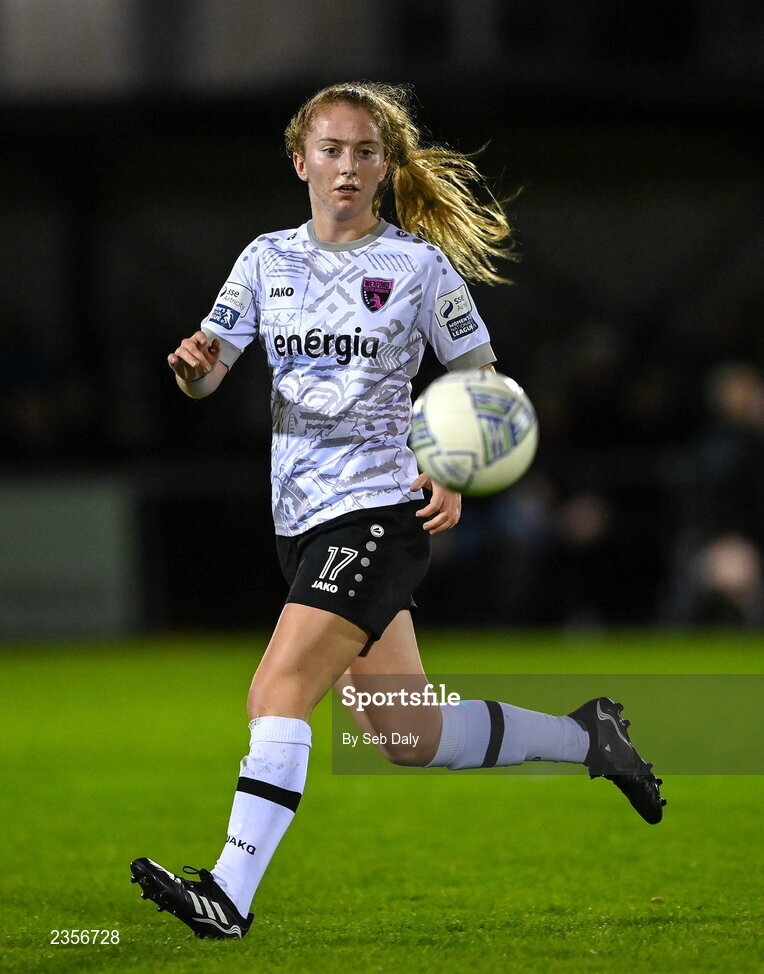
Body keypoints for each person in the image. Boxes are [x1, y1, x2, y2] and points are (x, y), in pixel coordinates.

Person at [130, 82, 665, 941]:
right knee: (407, 736)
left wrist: (451, 463)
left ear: (384, 166)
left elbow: (481, 380)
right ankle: (587, 738)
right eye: (332, 151)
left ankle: (228, 893)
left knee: (277, 687)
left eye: (365, 152)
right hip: (298, 522)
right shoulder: (265, 262)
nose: (347, 167)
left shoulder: (417, 268)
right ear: (300, 160)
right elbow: (209, 371)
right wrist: (193, 365)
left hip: (378, 513)